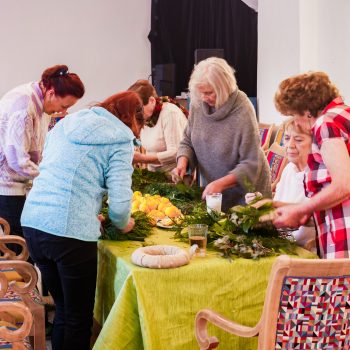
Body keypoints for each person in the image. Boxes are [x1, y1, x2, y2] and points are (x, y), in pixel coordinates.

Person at [20, 91, 144, 350]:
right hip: (69, 233)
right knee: (78, 319)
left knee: (64, 310)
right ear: (133, 120)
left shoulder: (66, 124)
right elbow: (121, 204)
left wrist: (89, 207)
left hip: (33, 222)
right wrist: (123, 223)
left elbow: (62, 174)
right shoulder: (120, 140)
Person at [172, 57, 271, 211]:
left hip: (247, 196)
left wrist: (221, 183)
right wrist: (182, 163)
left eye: (209, 93)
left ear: (223, 87)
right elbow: (188, 141)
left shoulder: (243, 109)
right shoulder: (199, 104)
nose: (204, 98)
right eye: (200, 93)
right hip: (214, 193)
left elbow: (251, 163)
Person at [0, 64, 84, 241]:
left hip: (18, 185)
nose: (63, 111)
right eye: (63, 105)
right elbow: (18, 160)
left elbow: (38, 149)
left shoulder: (41, 100)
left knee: (25, 247)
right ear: (51, 92)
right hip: (6, 189)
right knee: (19, 251)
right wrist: (51, 179)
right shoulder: (24, 106)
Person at [273, 71, 350, 259]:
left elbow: (343, 185)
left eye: (294, 114)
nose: (296, 121)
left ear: (307, 110)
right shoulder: (344, 113)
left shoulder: (326, 123)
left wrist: (301, 209)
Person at [246, 119, 316, 251]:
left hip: (304, 248)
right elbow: (279, 205)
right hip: (282, 241)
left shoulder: (318, 175)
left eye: (299, 140)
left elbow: (316, 218)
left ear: (315, 143)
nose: (290, 145)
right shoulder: (289, 169)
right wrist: (262, 202)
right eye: (287, 138)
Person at [128, 79, 188, 172]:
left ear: (152, 101)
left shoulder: (170, 113)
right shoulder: (146, 118)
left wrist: (142, 158)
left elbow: (176, 152)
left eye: (139, 110)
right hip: (155, 174)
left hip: (175, 175)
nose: (136, 115)